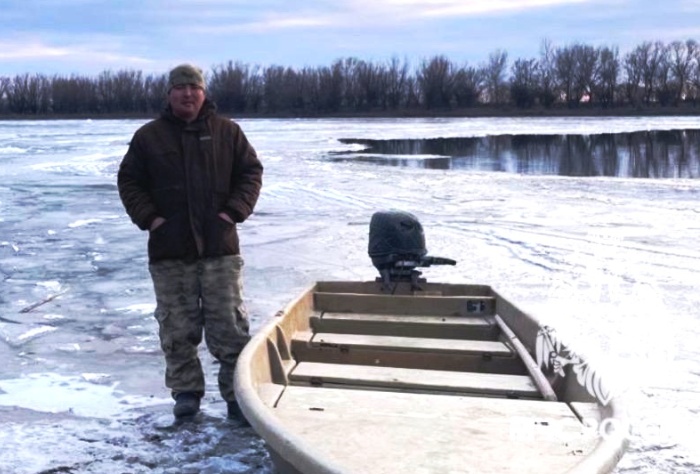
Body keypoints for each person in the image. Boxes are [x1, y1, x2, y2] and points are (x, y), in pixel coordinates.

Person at [117, 64, 263, 422]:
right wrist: (152, 220)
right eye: (180, 88)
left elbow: (251, 173)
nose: (187, 94)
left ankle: (235, 397)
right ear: (169, 94)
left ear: (203, 92)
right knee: (177, 328)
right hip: (170, 251)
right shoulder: (149, 137)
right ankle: (186, 393)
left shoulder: (228, 132)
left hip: (219, 250)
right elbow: (129, 182)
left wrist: (233, 212)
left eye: (194, 87)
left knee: (229, 329)